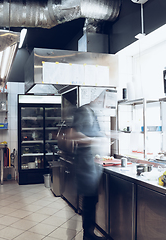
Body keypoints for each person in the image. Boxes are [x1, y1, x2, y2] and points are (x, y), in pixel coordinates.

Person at [61, 91, 108, 240]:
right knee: (89, 200)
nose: (101, 102)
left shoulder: (92, 113)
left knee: (91, 199)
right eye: (100, 98)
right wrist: (94, 141)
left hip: (90, 164)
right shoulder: (84, 111)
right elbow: (73, 134)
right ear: (93, 97)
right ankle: (88, 235)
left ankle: (89, 233)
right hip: (85, 165)